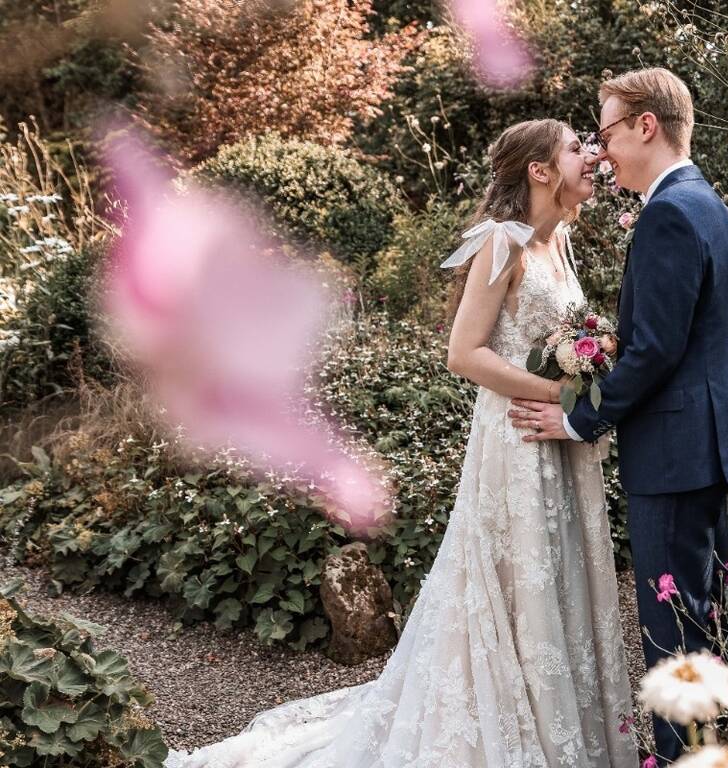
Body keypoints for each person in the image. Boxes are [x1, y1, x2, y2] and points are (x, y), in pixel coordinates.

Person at [165, 118, 636, 767]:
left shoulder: (562, 243)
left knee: (557, 575)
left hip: (556, 438)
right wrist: (557, 392)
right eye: (575, 148)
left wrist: (588, 374)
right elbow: (463, 354)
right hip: (517, 443)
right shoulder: (502, 243)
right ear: (540, 169)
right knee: (516, 580)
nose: (591, 157)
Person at [508, 69, 728, 765]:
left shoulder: (669, 212)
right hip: (703, 442)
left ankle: (686, 758)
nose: (602, 150)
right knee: (703, 618)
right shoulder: (703, 201)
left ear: (646, 126)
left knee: (673, 627)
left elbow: (654, 352)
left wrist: (581, 420)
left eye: (608, 131)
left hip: (676, 450)